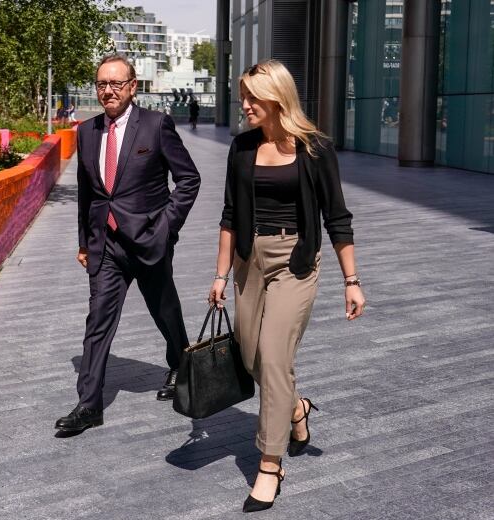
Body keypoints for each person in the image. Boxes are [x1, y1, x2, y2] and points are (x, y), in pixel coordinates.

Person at [208, 60, 365, 513]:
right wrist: (220, 274)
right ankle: (296, 408)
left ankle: (270, 464)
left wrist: (351, 281)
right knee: (251, 354)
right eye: (243, 96)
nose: (245, 105)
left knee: (275, 357)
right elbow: (228, 215)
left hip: (295, 262)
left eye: (253, 97)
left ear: (277, 98)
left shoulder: (315, 149)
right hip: (247, 262)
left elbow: (337, 216)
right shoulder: (241, 148)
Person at [55, 54, 201, 434]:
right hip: (106, 247)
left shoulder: (156, 126)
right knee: (98, 322)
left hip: (150, 242)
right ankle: (89, 405)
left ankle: (181, 363)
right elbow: (88, 194)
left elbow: (189, 180)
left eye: (116, 83)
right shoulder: (86, 132)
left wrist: (167, 226)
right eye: (102, 84)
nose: (108, 91)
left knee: (165, 311)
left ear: (133, 86)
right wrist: (86, 242)